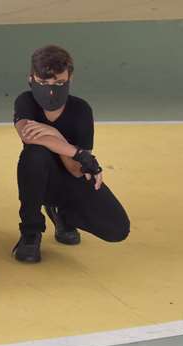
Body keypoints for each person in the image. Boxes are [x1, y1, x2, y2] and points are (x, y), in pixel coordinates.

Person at [11, 45, 129, 263]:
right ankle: (31, 232)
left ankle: (61, 214)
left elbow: (76, 170)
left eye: (59, 83)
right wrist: (77, 152)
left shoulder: (81, 110)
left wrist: (56, 136)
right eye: (43, 82)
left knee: (117, 229)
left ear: (70, 79)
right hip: (38, 180)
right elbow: (29, 136)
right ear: (31, 78)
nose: (51, 90)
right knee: (34, 154)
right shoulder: (25, 101)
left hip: (69, 178)